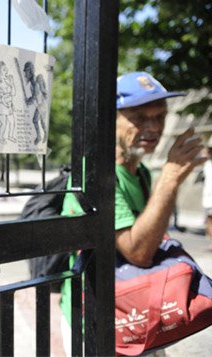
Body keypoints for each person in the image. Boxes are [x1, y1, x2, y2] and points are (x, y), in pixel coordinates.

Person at [59, 72, 192, 347]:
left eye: (160, 116)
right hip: (96, 321)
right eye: (140, 117)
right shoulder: (95, 175)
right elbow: (139, 252)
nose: (154, 127)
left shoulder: (140, 171)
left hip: (134, 309)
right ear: (111, 121)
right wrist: (170, 177)